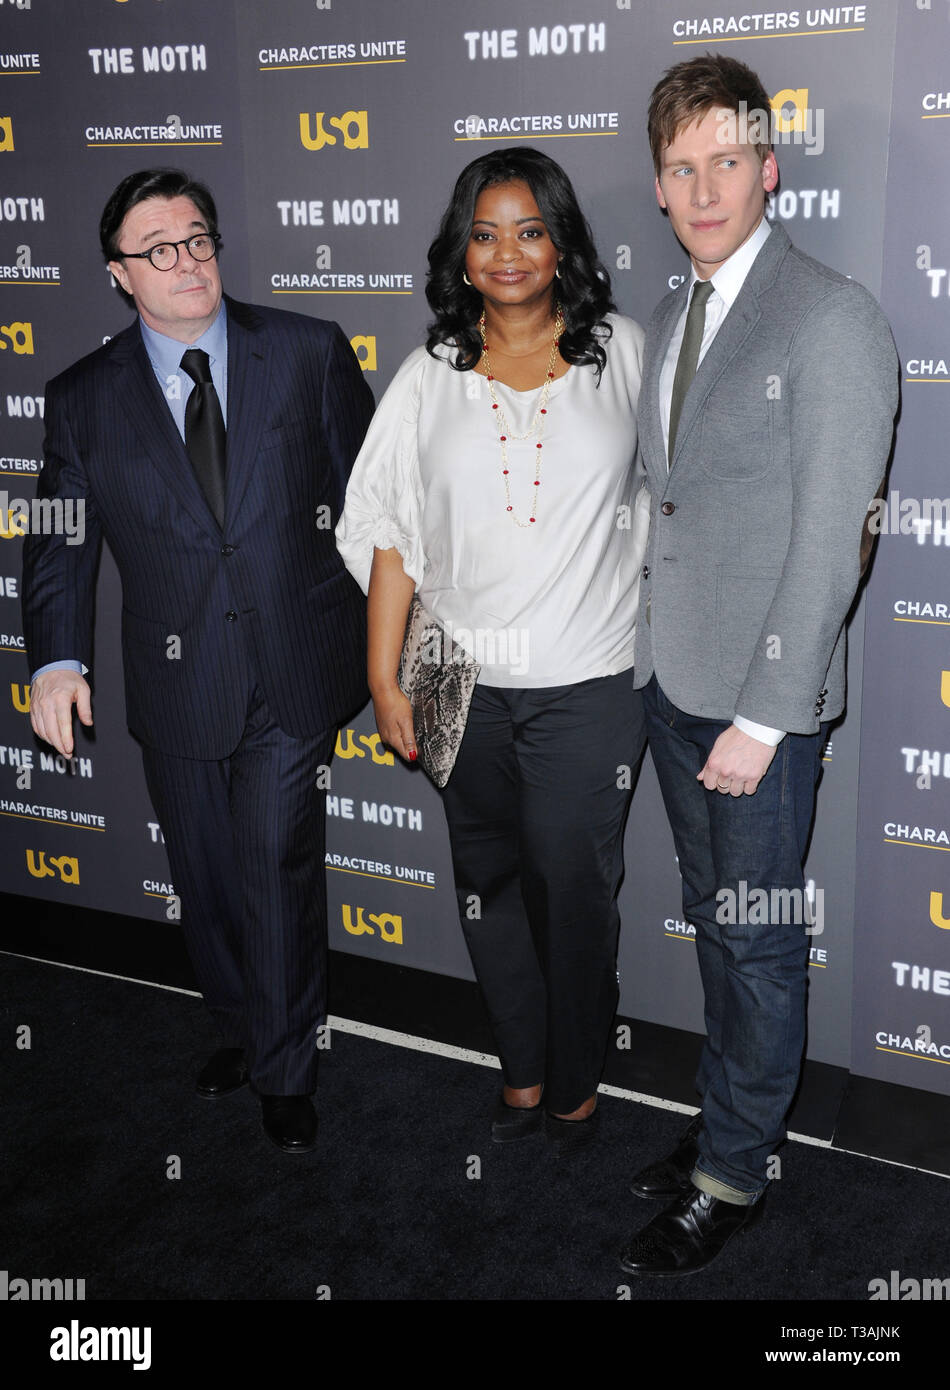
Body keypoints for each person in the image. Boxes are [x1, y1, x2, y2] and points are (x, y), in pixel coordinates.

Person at [21, 168, 374, 1154]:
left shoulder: (305, 352)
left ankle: (286, 1065)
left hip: (295, 666)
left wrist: (395, 644)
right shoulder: (82, 399)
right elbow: (55, 535)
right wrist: (53, 658)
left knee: (275, 864)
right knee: (207, 879)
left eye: (198, 239)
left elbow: (376, 504)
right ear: (117, 275)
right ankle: (241, 1026)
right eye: (158, 248)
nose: (187, 261)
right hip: (175, 679)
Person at [619, 55, 898, 1273]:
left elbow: (833, 533)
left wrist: (767, 716)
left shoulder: (831, 315)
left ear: (766, 167)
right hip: (673, 685)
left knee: (755, 932)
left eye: (723, 159)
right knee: (716, 924)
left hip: (756, 710)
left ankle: (734, 1175)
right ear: (659, 185)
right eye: (677, 168)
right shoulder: (669, 312)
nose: (701, 186)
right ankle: (721, 1120)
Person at [337, 147, 647, 1150]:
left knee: (573, 889)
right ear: (459, 254)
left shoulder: (625, 355)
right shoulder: (429, 376)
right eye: (483, 232)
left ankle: (576, 1078)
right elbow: (390, 530)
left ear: (560, 241)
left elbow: (684, 496)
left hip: (585, 683)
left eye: (526, 228)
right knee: (488, 887)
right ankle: (520, 1068)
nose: (505, 252)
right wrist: (384, 676)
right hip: (455, 681)